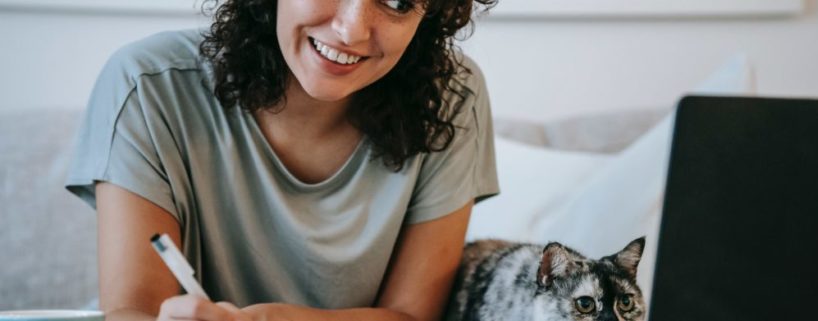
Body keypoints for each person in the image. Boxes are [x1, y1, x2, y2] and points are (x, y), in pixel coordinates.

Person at [65, 0, 498, 320]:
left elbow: (411, 317)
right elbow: (132, 310)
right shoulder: (147, 86)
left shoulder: (452, 100)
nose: (351, 30)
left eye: (399, 2)